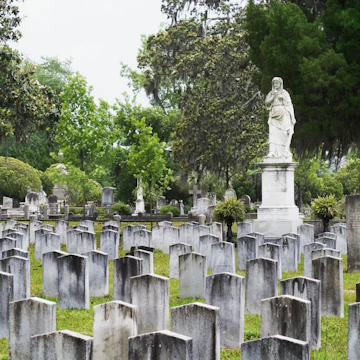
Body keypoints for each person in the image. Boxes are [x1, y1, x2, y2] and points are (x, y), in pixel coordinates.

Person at [265, 77, 296, 159]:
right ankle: (272, 151)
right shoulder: (271, 93)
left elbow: (289, 105)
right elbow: (266, 103)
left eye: (277, 83)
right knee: (272, 133)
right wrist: (273, 96)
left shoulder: (285, 93)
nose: (276, 85)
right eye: (274, 83)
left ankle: (283, 151)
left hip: (283, 114)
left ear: (280, 84)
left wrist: (292, 117)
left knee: (283, 133)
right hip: (274, 116)